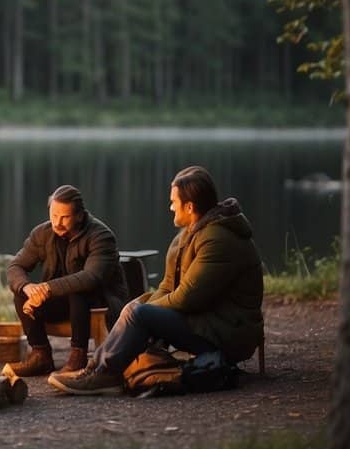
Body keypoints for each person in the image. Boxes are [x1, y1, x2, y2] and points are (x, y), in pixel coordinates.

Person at [49, 166, 264, 395]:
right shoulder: (192, 233)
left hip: (228, 331)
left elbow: (187, 298)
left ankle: (105, 376)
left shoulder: (217, 240)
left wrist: (142, 311)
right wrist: (137, 306)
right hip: (207, 322)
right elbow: (167, 286)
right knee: (135, 308)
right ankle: (95, 369)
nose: (170, 207)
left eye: (174, 201)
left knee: (140, 313)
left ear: (190, 207)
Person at [6, 185, 128, 376]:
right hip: (61, 299)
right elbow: (15, 267)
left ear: (79, 215)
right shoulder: (42, 234)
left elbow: (91, 277)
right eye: (54, 215)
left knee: (78, 290)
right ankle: (41, 355)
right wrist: (29, 288)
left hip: (100, 300)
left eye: (64, 217)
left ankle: (78, 355)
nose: (57, 222)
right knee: (20, 294)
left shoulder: (101, 236)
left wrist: (47, 288)